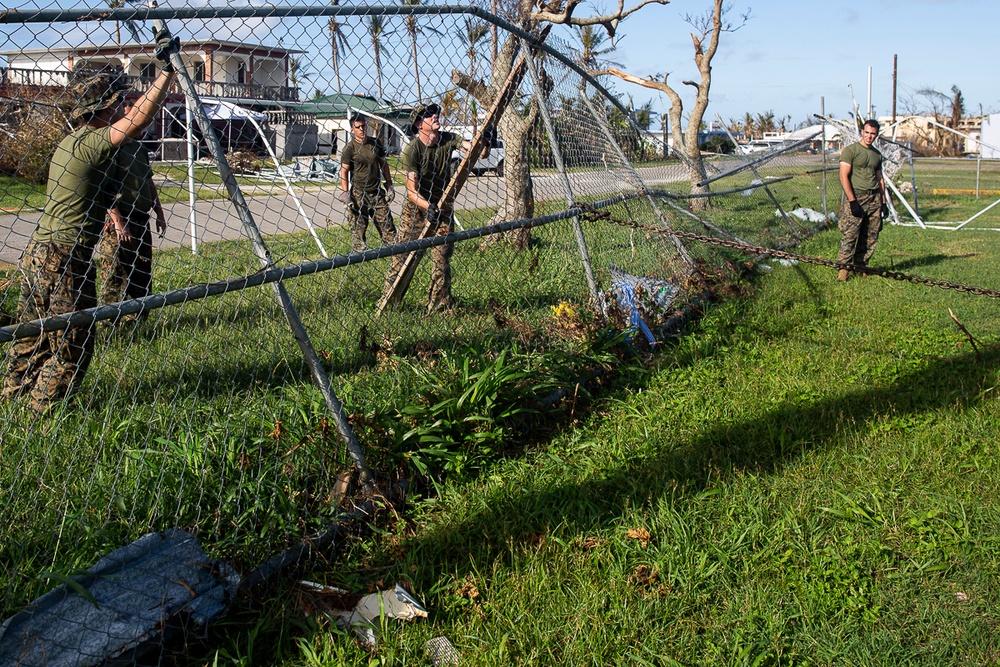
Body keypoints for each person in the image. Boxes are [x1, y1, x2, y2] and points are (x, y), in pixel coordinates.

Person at [1, 28, 179, 414]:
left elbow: (132, 126)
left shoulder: (71, 142)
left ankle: (10, 398)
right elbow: (135, 121)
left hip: (39, 252)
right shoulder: (93, 143)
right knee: (74, 345)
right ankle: (39, 416)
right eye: (119, 103)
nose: (124, 107)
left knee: (30, 338)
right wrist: (166, 72)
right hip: (67, 257)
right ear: (106, 107)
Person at [392, 103, 484, 313]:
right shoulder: (411, 150)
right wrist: (428, 206)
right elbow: (411, 191)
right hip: (417, 208)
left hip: (442, 206)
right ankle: (391, 303)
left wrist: (485, 140)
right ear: (418, 124)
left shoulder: (448, 139)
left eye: (436, 113)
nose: (435, 116)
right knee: (402, 256)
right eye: (428, 115)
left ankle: (440, 305)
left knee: (442, 256)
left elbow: (479, 153)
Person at [95, 94, 167, 323]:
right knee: (117, 272)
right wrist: (117, 221)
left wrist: (159, 212)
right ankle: (110, 322)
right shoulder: (112, 147)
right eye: (129, 112)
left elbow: (148, 180)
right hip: (121, 220)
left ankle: (140, 318)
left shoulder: (138, 148)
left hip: (140, 218)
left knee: (142, 271)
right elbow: (105, 188)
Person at [837, 119, 887, 281]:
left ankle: (861, 266)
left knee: (871, 234)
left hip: (874, 198)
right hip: (857, 196)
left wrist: (884, 203)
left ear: (876, 135)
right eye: (867, 133)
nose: (869, 136)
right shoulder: (851, 151)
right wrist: (852, 201)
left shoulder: (876, 154)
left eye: (873, 134)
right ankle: (843, 269)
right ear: (862, 132)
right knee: (850, 233)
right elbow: (843, 176)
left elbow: (880, 179)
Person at [339, 113, 396, 252]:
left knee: (388, 226)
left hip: (376, 191)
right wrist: (346, 193)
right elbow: (344, 171)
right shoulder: (350, 148)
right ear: (352, 130)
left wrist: (388, 184)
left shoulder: (375, 143)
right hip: (359, 193)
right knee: (359, 227)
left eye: (363, 126)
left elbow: (384, 164)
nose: (361, 129)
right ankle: (360, 256)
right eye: (357, 127)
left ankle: (395, 251)